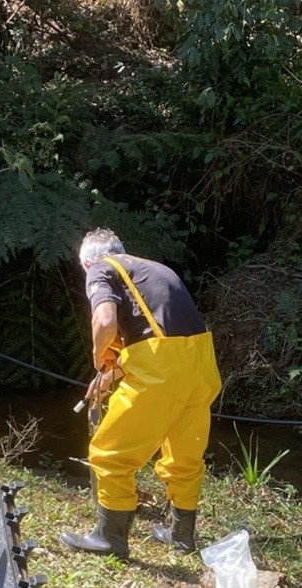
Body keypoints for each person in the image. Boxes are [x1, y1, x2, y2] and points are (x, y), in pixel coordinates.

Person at [61, 230, 221, 559]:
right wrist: (111, 374)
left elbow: (105, 322)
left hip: (163, 370)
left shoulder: (100, 268)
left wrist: (98, 356)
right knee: (183, 457)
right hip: (200, 366)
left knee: (109, 453)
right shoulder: (153, 269)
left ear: (88, 261)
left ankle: (110, 539)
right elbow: (159, 335)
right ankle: (181, 537)